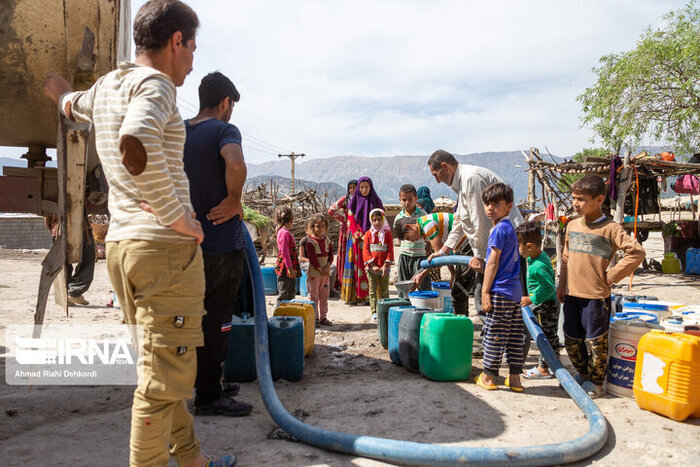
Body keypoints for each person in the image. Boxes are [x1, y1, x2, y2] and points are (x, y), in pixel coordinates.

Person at [43, 1, 236, 465]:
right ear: (176, 42)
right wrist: (176, 216)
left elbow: (73, 104)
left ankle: (192, 459)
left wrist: (60, 92)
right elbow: (139, 138)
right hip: (163, 249)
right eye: (192, 47)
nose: (192, 59)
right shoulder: (157, 85)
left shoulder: (109, 85)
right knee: (163, 378)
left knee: (161, 363)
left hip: (125, 248)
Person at [183, 71, 252, 418]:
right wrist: (235, 199)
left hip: (185, 245)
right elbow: (235, 163)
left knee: (192, 318)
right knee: (218, 320)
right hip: (220, 245)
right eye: (232, 107)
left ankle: (207, 381)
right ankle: (209, 396)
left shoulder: (179, 131)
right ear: (225, 102)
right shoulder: (224, 130)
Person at [556, 174, 645, 398]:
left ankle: (596, 382)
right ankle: (583, 374)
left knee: (596, 341)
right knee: (572, 338)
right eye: (574, 198)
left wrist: (612, 275)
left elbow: (636, 252)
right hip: (572, 294)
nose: (575, 203)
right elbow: (566, 258)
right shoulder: (573, 225)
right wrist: (562, 285)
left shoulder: (611, 228)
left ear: (599, 199)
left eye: (581, 199)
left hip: (596, 296)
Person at [427, 150, 524, 318]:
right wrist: (444, 250)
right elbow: (460, 222)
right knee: (486, 298)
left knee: (502, 299)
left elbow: (481, 221)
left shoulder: (471, 179)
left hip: (506, 246)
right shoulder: (462, 183)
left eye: (436, 174)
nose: (437, 180)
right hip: (492, 247)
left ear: (445, 166)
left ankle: (507, 340)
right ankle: (497, 339)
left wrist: (478, 256)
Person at [475, 183, 524, 392]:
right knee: (514, 336)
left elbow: (493, 262)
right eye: (487, 203)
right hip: (514, 292)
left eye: (496, 204)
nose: (490, 208)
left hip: (500, 291)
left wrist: (485, 292)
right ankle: (515, 379)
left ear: (509, 206)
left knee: (495, 333)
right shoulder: (510, 228)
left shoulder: (498, 230)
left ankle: (488, 376)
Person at [516, 221, 559, 379]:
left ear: (529, 246)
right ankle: (553, 365)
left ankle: (544, 368)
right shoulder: (537, 257)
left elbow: (548, 287)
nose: (517, 248)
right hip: (544, 304)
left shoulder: (537, 266)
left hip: (545, 306)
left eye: (518, 245)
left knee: (545, 337)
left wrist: (531, 299)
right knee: (548, 335)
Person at [393, 211, 466, 287]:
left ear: (409, 226)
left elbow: (440, 257)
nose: (412, 241)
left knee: (461, 286)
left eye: (408, 238)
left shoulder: (427, 225)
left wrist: (422, 274)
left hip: (466, 240)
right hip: (461, 244)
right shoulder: (424, 230)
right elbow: (444, 253)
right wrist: (453, 274)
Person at [341, 177, 383, 304]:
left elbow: (381, 218)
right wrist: (360, 235)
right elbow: (350, 220)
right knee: (357, 267)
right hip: (356, 240)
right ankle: (354, 296)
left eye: (366, 187)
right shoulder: (353, 203)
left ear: (370, 187)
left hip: (372, 239)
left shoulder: (376, 201)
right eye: (362, 187)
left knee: (370, 265)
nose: (364, 190)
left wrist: (370, 234)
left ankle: (369, 296)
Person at [393, 184, 430, 297]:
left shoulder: (423, 215)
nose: (407, 202)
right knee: (405, 286)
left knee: (422, 286)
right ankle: (405, 307)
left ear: (416, 199)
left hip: (420, 256)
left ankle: (425, 308)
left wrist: (428, 244)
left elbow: (429, 233)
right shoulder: (399, 218)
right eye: (404, 200)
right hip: (405, 256)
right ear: (400, 200)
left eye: (410, 199)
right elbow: (399, 238)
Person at [363, 209, 394, 322]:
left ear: (383, 219)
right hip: (372, 269)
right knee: (372, 291)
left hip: (384, 269)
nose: (377, 222)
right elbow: (366, 251)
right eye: (374, 220)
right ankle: (374, 312)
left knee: (385, 290)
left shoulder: (387, 234)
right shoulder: (368, 234)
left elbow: (390, 250)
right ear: (371, 220)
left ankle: (385, 311)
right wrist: (373, 265)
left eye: (379, 219)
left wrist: (386, 265)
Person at [328, 180, 357, 292]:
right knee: (345, 256)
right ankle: (342, 283)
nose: (352, 190)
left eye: (355, 187)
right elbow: (331, 211)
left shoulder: (361, 200)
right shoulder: (345, 199)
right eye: (350, 187)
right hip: (346, 232)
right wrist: (344, 219)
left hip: (358, 232)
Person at [305, 214, 334, 325]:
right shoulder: (310, 242)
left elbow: (331, 255)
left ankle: (323, 317)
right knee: (314, 296)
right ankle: (315, 318)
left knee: (324, 296)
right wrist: (320, 269)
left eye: (323, 226)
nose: (320, 229)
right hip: (315, 273)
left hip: (325, 273)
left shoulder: (327, 241)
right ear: (312, 227)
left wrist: (327, 266)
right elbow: (312, 258)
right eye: (318, 226)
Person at [275, 205, 299, 306]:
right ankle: (280, 317)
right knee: (284, 294)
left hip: (289, 266)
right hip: (286, 267)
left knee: (290, 294)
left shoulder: (284, 232)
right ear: (291, 218)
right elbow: (285, 252)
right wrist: (289, 268)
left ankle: (288, 316)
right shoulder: (284, 233)